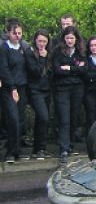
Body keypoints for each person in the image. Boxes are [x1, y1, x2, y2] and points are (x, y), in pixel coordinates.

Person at [52, 27, 86, 162]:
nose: (70, 41)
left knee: (74, 117)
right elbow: (57, 70)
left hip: (77, 88)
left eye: (72, 38)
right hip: (62, 88)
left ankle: (70, 143)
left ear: (76, 39)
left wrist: (69, 68)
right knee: (64, 118)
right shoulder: (58, 52)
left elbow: (84, 70)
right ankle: (64, 148)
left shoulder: (81, 52)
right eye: (67, 38)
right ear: (63, 39)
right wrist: (75, 70)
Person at [0, 22, 28, 162]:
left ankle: (17, 150)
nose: (17, 36)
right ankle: (10, 151)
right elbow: (4, 69)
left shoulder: (23, 47)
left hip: (22, 87)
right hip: (9, 88)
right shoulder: (4, 49)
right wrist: (12, 88)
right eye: (14, 33)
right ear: (8, 33)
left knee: (20, 119)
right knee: (12, 119)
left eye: (19, 33)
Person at [24, 30, 51, 159]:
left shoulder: (48, 52)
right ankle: (39, 147)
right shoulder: (30, 53)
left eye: (44, 41)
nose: (42, 44)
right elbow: (35, 71)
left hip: (46, 89)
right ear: (35, 40)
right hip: (35, 90)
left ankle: (39, 148)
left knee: (43, 119)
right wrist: (42, 57)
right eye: (40, 41)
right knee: (43, 116)